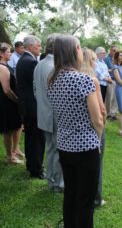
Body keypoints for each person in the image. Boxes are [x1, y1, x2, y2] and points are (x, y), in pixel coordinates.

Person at [48, 35, 103, 228]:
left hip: (64, 145)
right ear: (74, 51)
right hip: (86, 147)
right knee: (85, 199)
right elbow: (97, 119)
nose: (81, 51)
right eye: (79, 47)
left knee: (71, 194)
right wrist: (97, 140)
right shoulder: (84, 80)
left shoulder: (52, 80)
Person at [33, 34, 64, 192]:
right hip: (54, 115)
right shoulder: (55, 66)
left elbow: (36, 91)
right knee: (57, 150)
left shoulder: (39, 64)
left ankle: (51, 180)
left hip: (43, 113)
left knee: (51, 149)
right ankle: (58, 183)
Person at [16, 35, 45, 179]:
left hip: (27, 106)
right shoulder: (30, 62)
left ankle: (31, 165)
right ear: (31, 46)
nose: (40, 48)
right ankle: (36, 169)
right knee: (36, 139)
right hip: (32, 107)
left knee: (31, 138)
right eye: (39, 45)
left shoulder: (24, 60)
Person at [82, 48, 107, 208]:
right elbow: (101, 110)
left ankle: (84, 196)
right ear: (88, 60)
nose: (96, 61)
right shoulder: (92, 79)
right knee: (97, 164)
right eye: (94, 59)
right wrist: (101, 130)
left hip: (77, 132)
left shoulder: (70, 77)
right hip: (93, 129)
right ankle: (96, 198)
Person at [0, 42, 23, 164]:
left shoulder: (6, 65)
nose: (11, 53)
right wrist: (17, 100)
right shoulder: (2, 67)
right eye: (8, 51)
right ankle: (10, 157)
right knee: (8, 130)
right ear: (1, 54)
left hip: (10, 102)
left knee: (17, 126)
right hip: (6, 103)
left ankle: (16, 150)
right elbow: (7, 90)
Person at [104, 45, 118, 120]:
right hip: (109, 80)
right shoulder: (106, 59)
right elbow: (105, 70)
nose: (115, 52)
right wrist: (112, 69)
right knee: (109, 98)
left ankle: (113, 113)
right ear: (110, 50)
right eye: (114, 50)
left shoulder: (115, 59)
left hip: (116, 80)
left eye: (116, 51)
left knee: (115, 98)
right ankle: (108, 114)